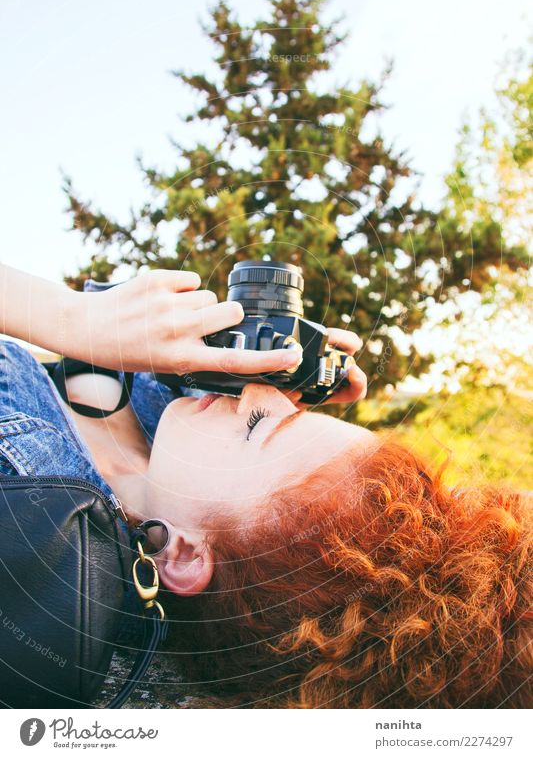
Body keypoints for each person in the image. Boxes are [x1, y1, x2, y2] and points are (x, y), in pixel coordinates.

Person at [0, 264, 531, 709]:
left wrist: (69, 318)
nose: (265, 395)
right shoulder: (183, 447)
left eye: (261, 426)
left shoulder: (23, 489)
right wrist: (258, 356)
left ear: (183, 555)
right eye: (298, 409)